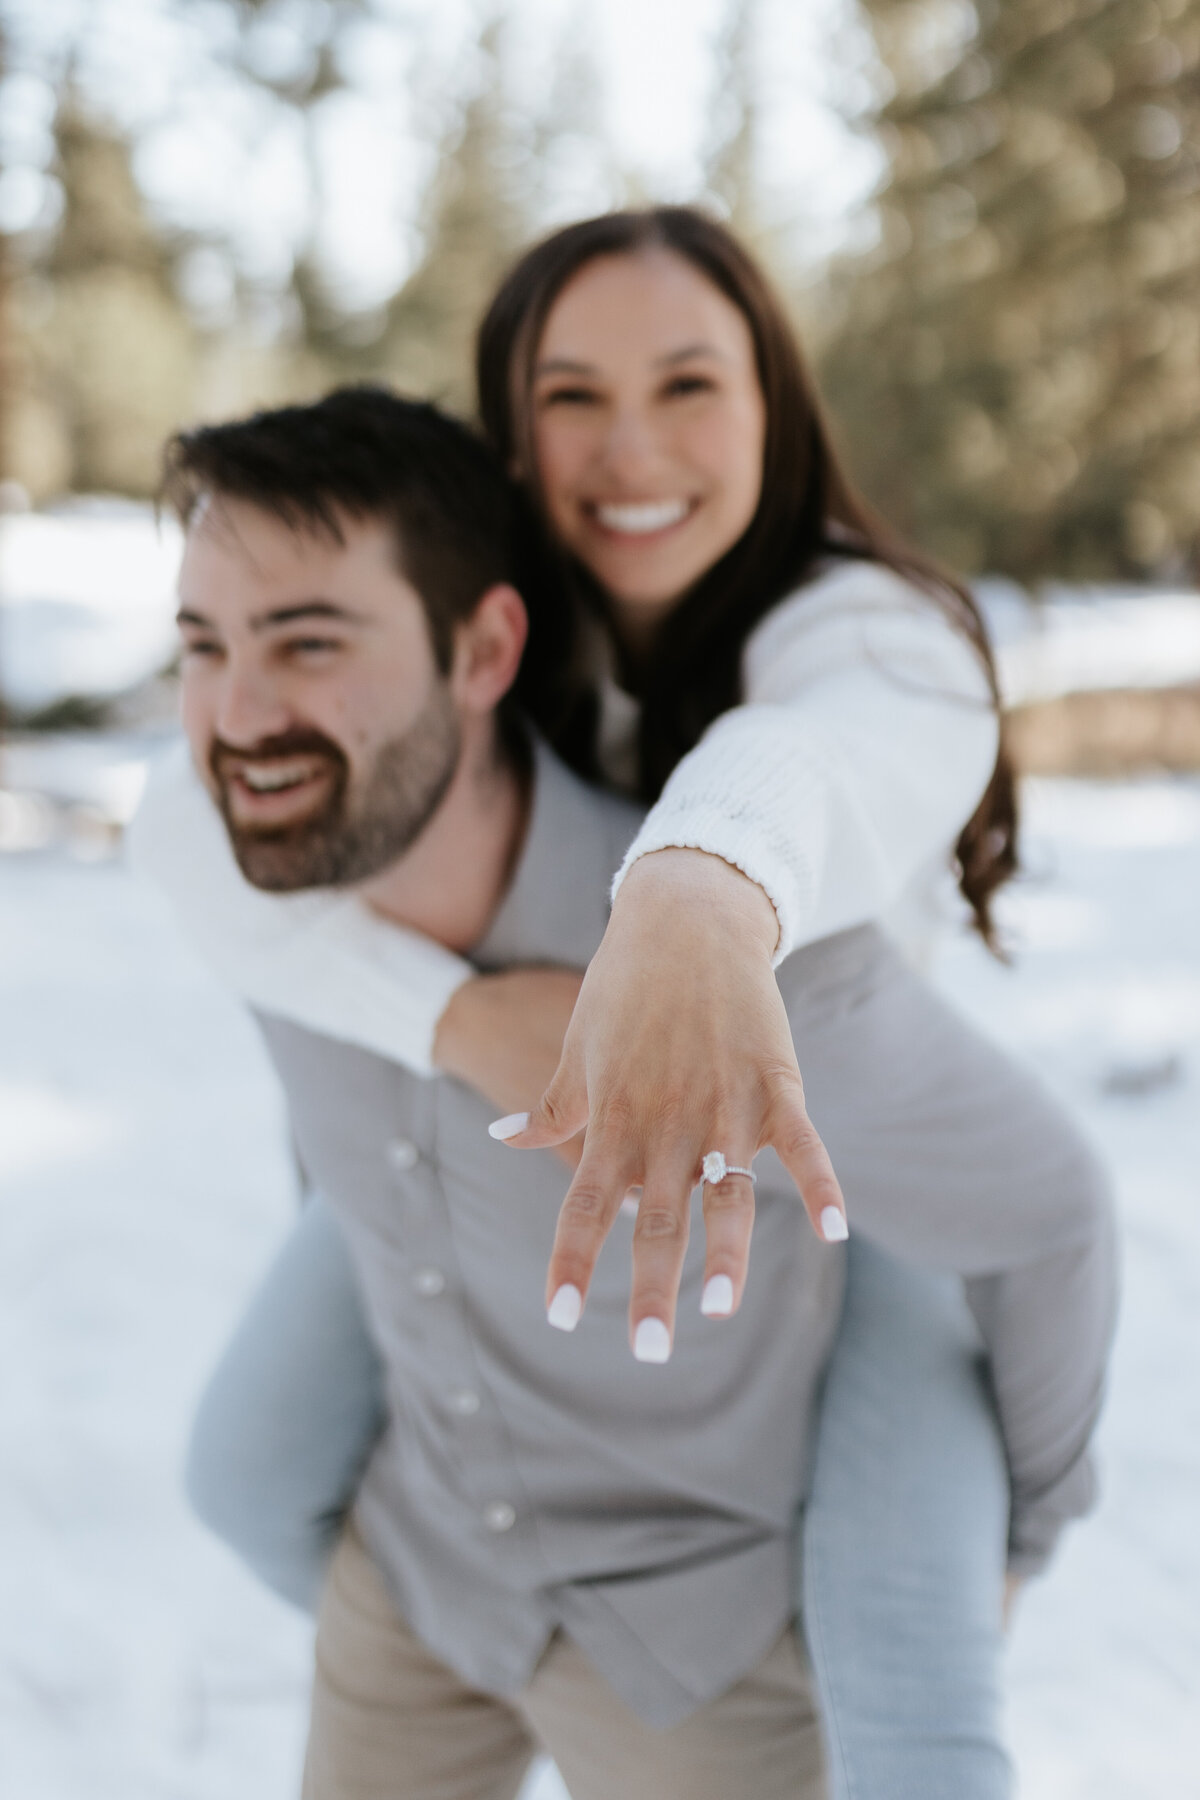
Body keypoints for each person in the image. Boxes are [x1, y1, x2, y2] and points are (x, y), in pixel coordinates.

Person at [134, 212, 1116, 1795]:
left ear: (775, 406)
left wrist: (697, 895)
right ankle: (492, 1643)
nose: (630, 445)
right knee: (247, 1467)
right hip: (517, 1099)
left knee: (911, 1676)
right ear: (510, 428)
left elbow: (820, 769)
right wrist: (459, 1023)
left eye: (689, 384)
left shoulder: (867, 635)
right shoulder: (474, 618)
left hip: (834, 1150)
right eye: (572, 395)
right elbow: (186, 834)